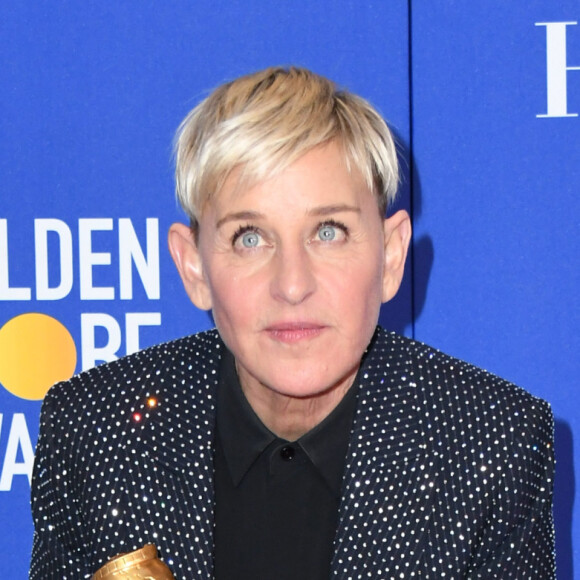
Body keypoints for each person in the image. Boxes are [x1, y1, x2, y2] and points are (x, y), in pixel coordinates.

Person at [30, 66, 555, 579]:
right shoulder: (94, 430)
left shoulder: (491, 444)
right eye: (250, 238)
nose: (292, 284)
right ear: (194, 268)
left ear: (392, 257)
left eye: (328, 231)